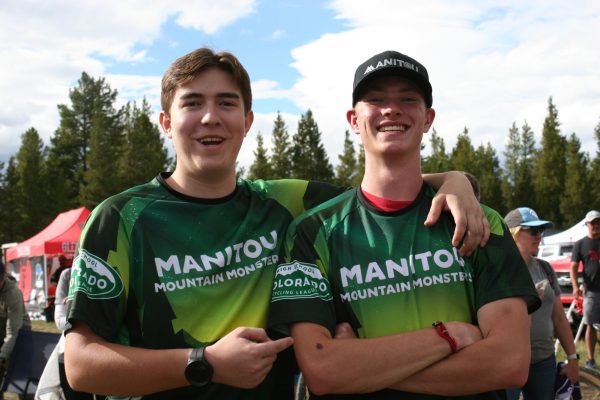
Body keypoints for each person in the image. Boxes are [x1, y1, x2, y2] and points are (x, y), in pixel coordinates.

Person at [64, 47, 488, 400]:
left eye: (227, 103)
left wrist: (455, 181)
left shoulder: (285, 200)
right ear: (166, 122)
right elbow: (81, 364)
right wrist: (203, 363)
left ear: (247, 122)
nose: (211, 117)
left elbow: (381, 190)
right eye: (192, 102)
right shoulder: (119, 218)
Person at [268, 50, 541, 399]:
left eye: (408, 99)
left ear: (427, 118)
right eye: (376, 99)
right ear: (354, 119)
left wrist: (360, 366)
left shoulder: (477, 220)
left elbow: (509, 363)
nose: (392, 108)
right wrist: (448, 336)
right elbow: (322, 370)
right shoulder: (311, 231)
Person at [504, 207, 579, 400]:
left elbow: (559, 318)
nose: (539, 236)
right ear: (513, 234)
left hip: (543, 360)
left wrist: (572, 358)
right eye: (533, 231)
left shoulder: (545, 268)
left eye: (541, 231)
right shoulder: (498, 271)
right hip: (506, 361)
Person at [570, 209, 600, 369]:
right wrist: (575, 287)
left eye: (598, 222)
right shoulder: (581, 244)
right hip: (591, 291)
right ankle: (590, 359)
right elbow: (573, 267)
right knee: (590, 324)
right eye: (592, 223)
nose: (595, 226)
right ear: (587, 224)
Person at [0, 262, 32, 380]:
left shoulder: (13, 294)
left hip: (20, 336)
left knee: (22, 379)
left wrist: (2, 357)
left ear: (2, 277)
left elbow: (13, 332)